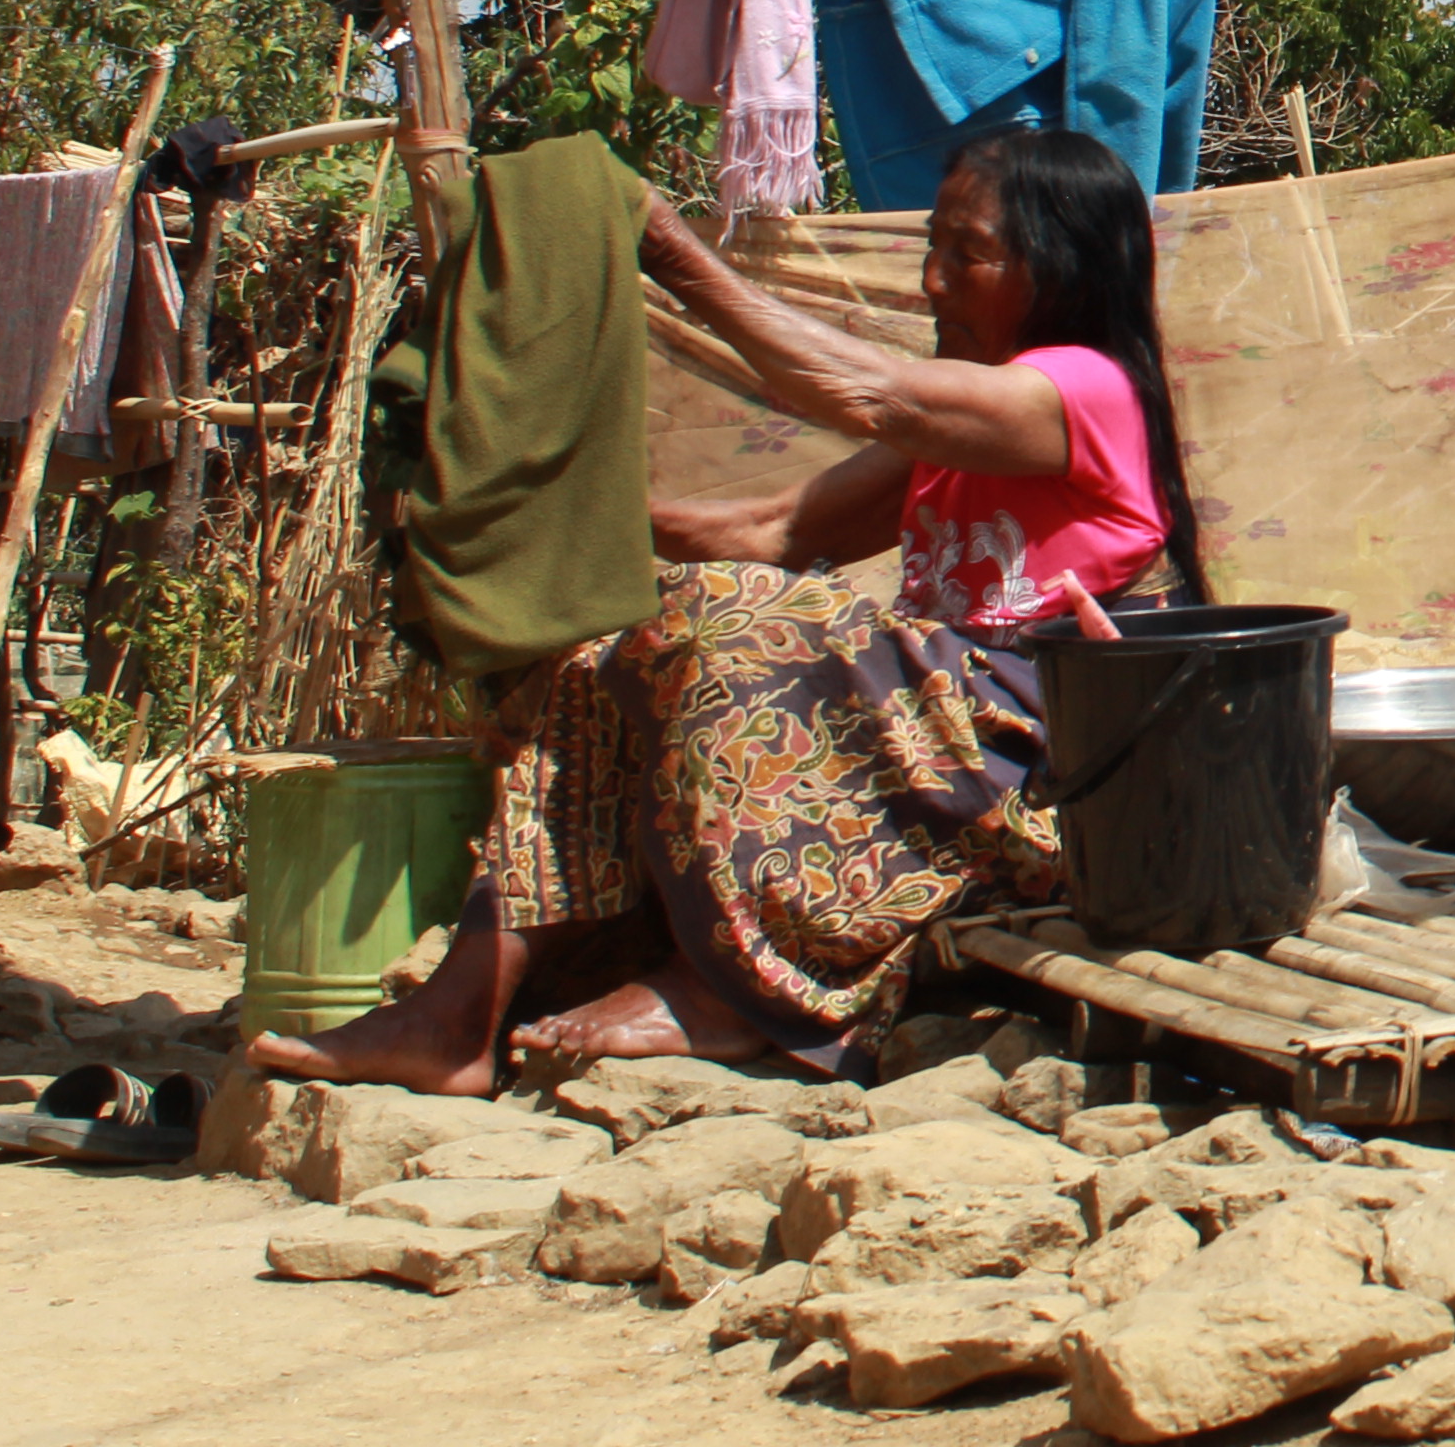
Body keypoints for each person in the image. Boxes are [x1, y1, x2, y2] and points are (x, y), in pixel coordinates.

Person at [253, 124, 1199, 1087]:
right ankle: (459, 1011)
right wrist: (554, 497)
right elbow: (774, 531)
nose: (932, 282)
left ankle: (733, 991)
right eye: (932, 246)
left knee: (728, 618)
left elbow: (868, 394)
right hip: (943, 736)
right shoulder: (969, 422)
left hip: (1045, 763)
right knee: (604, 650)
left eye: (970, 254)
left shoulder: (1085, 386)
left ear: (1065, 271)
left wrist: (663, 244)